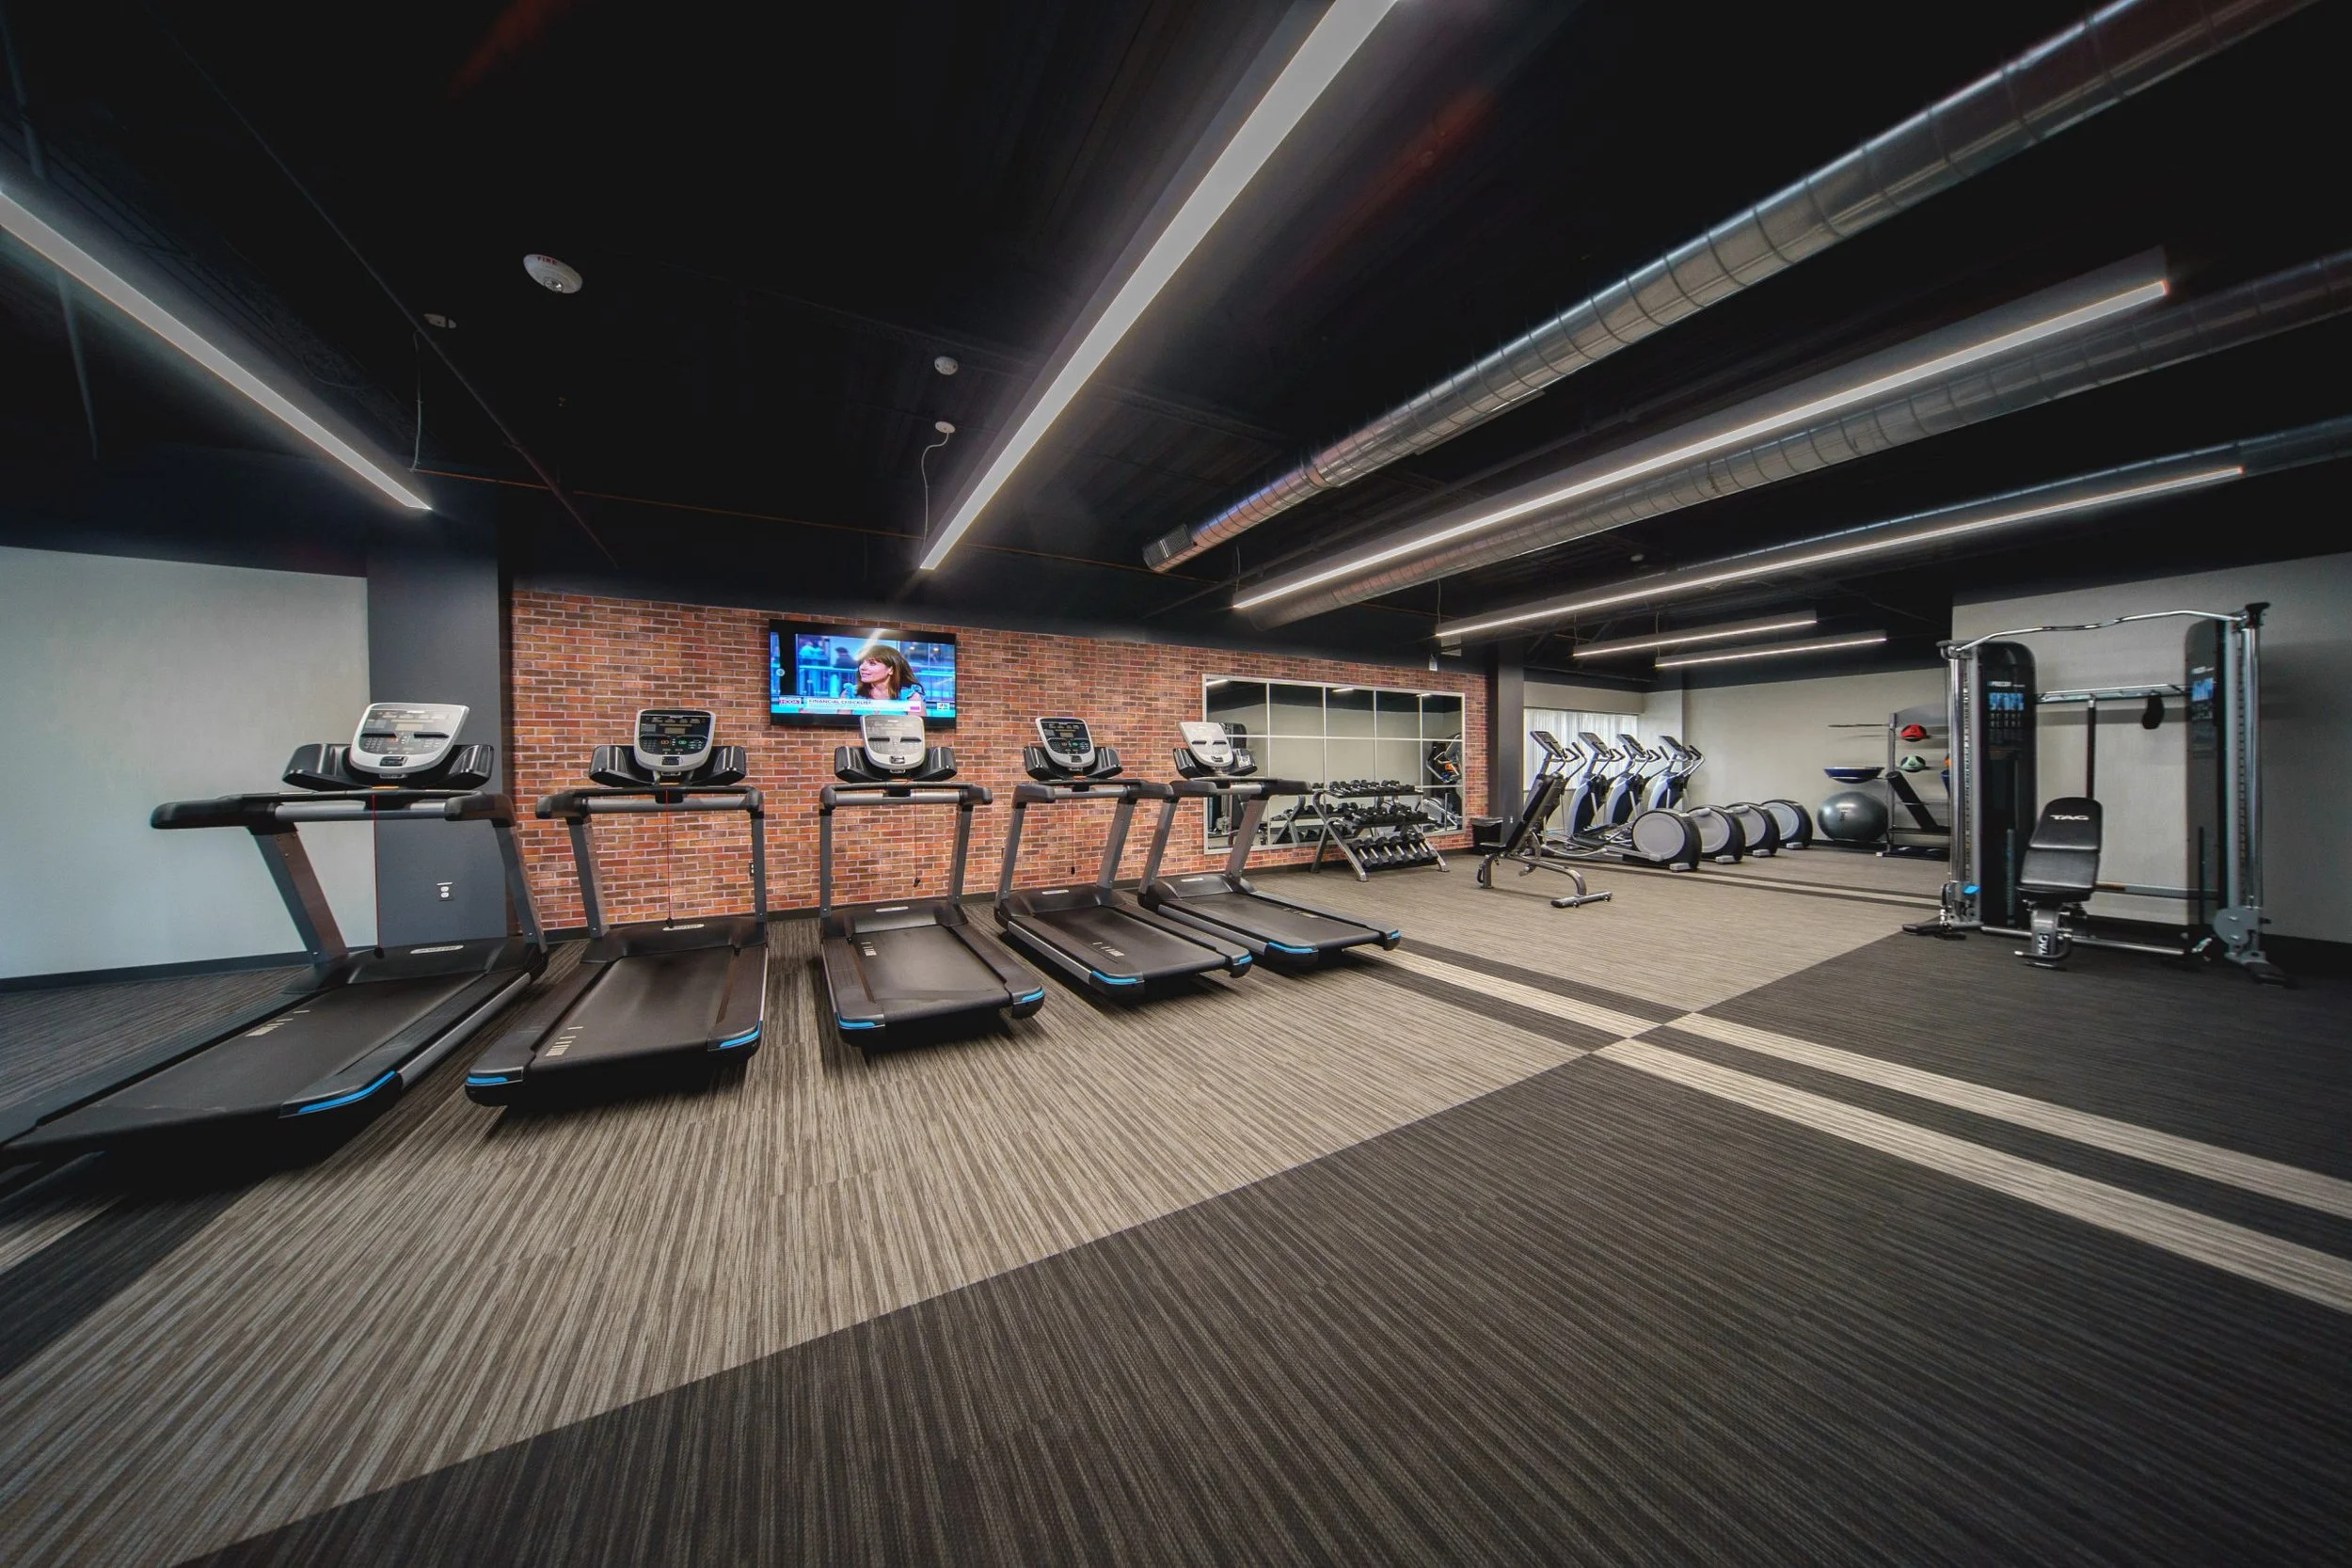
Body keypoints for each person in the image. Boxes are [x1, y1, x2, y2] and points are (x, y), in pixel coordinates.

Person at [854, 644, 925, 716]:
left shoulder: (911, 697)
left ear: (891, 670)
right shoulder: (851, 694)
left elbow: (917, 723)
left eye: (872, 663)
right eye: (861, 663)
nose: (862, 667)